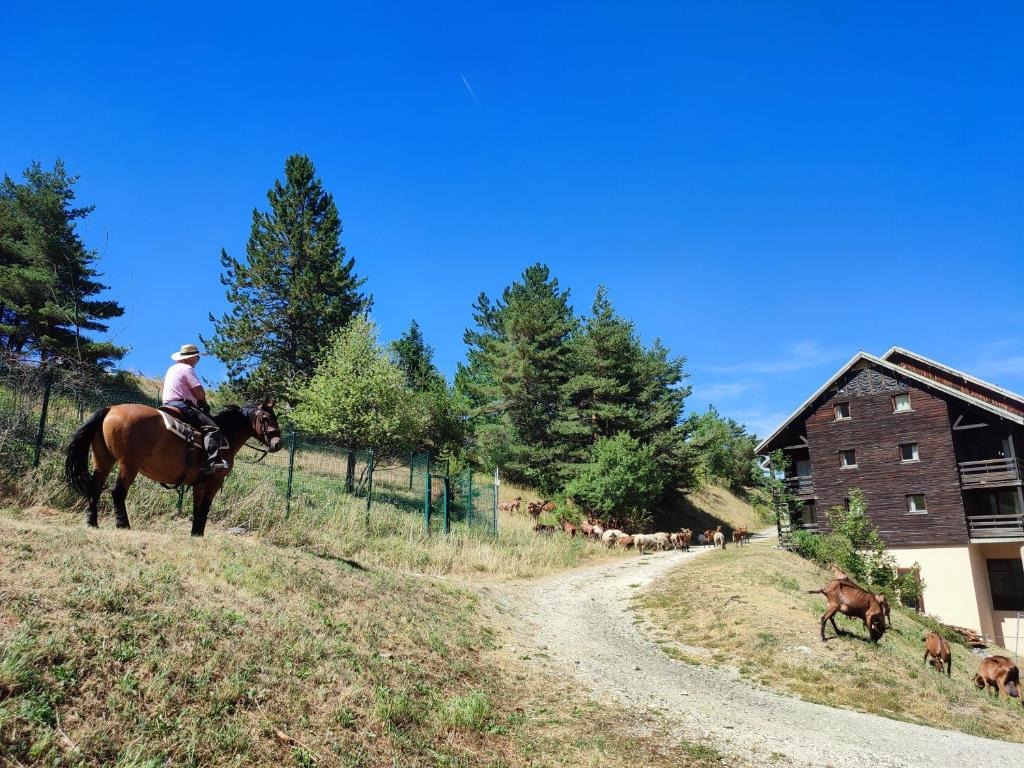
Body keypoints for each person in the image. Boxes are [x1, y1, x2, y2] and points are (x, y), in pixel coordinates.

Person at [161, 344, 230, 474]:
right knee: (213, 428)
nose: (198, 360)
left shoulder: (172, 368)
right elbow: (199, 392)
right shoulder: (187, 368)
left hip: (167, 404)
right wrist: (202, 402)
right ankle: (211, 462)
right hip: (181, 405)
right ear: (191, 357)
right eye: (197, 357)